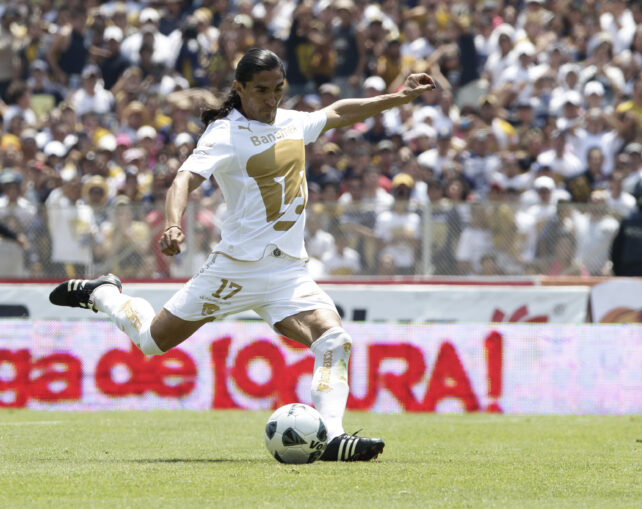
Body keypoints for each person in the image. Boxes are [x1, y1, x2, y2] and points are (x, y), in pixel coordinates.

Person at [49, 47, 436, 461]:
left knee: (334, 340)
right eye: (262, 91)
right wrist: (174, 223)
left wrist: (399, 96)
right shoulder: (224, 134)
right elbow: (182, 180)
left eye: (278, 90)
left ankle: (332, 438)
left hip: (288, 271)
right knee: (150, 342)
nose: (272, 99)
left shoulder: (292, 122)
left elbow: (340, 112)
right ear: (240, 88)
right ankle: (104, 293)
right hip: (234, 270)